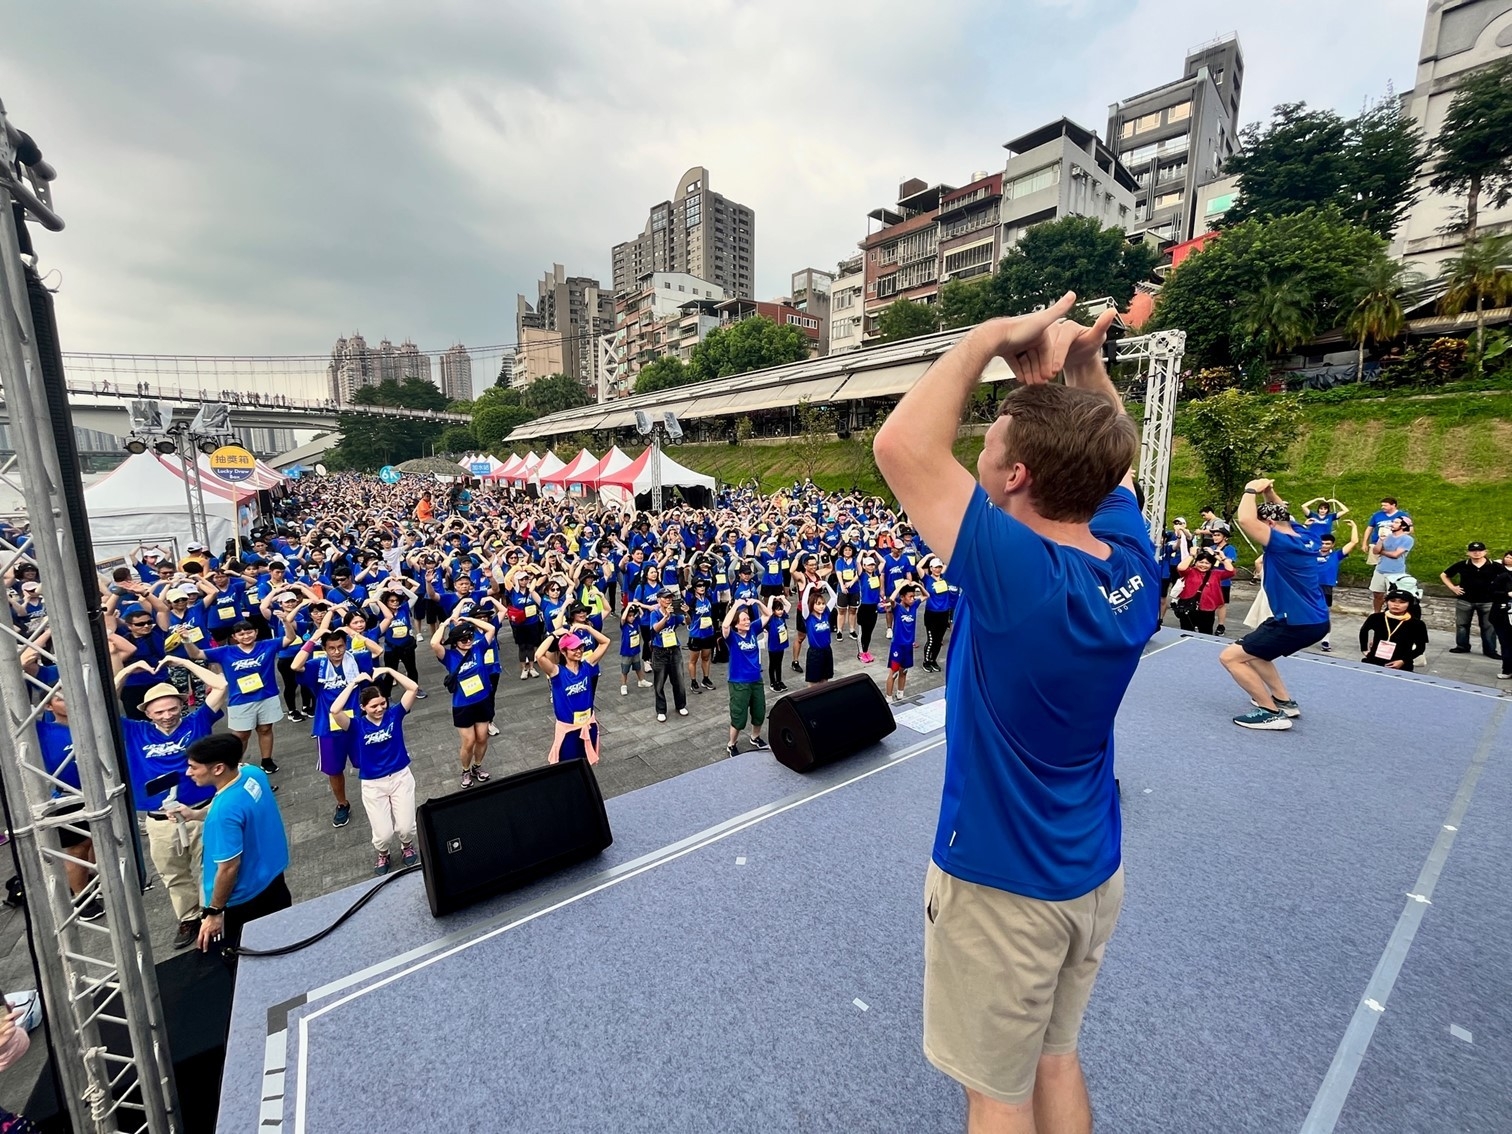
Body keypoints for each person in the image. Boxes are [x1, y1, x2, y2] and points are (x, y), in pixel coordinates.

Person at [874, 293, 1156, 1131]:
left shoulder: (1020, 578)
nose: (977, 455)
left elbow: (900, 445)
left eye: (987, 448)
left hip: (1003, 885)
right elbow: (1114, 464)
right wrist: (1082, 371)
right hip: (1089, 871)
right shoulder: (1128, 567)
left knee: (996, 1093)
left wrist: (991, 336)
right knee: (1055, 1058)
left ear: (1018, 477)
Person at [115, 660, 229, 950]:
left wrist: (181, 661)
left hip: (202, 809)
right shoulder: (134, 731)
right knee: (173, 872)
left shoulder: (196, 721)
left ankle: (211, 914)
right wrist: (127, 672)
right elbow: (101, 704)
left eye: (172, 709)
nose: (167, 716)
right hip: (160, 819)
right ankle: (189, 918)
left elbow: (222, 684)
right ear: (147, 712)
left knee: (211, 865)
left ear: (181, 706)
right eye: (159, 711)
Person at [1220, 480, 1331, 730]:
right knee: (1255, 653)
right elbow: (1282, 512)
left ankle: (1269, 711)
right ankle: (1284, 702)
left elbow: (1247, 520)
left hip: (1296, 622)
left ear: (1269, 525)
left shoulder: (1282, 544)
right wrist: (1269, 493)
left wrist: (1249, 488)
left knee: (1230, 657)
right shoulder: (1304, 534)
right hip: (1311, 618)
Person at [186, 734, 291, 966]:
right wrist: (195, 815)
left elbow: (228, 868)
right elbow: (241, 811)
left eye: (194, 767)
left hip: (244, 903)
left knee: (246, 965)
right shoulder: (253, 774)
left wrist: (214, 912)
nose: (188, 773)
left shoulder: (223, 813)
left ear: (218, 768)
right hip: (274, 882)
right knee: (284, 944)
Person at [331, 668, 422, 874]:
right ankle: (383, 852)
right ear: (363, 707)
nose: (380, 708)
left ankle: (407, 846)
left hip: (400, 776)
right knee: (383, 834)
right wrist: (353, 683)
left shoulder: (395, 715)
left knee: (406, 826)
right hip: (373, 783)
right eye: (373, 706)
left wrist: (389, 670)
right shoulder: (356, 725)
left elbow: (413, 688)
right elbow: (335, 710)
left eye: (382, 703)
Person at [201, 619, 294, 775]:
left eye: (249, 632)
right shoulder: (225, 651)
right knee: (241, 735)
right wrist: (186, 639)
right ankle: (235, 764)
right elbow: (196, 654)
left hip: (267, 695)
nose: (246, 636)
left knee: (265, 729)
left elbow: (289, 638)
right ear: (234, 636)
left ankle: (267, 760)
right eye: (241, 634)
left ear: (256, 632)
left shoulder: (267, 645)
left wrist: (286, 622)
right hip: (240, 699)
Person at [430, 613, 498, 788]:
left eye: (469, 637)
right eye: (463, 639)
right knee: (469, 741)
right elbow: (433, 643)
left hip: (482, 700)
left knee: (482, 737)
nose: (467, 641)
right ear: (455, 641)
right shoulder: (449, 656)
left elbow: (490, 628)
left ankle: (477, 766)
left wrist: (469, 620)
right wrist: (444, 624)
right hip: (462, 704)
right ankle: (465, 770)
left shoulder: (478, 647)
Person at [534, 627, 611, 764]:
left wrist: (587, 627)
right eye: (574, 648)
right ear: (563, 651)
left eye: (580, 647)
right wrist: (553, 635)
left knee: (586, 764)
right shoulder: (556, 672)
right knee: (569, 767)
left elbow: (605, 642)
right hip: (569, 732)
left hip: (588, 726)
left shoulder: (587, 666)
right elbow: (539, 655)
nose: (579, 651)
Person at [721, 598, 772, 759]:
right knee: (739, 715)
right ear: (737, 624)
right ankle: (731, 744)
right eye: (744, 619)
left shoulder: (753, 630)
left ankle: (755, 737)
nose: (748, 621)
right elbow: (724, 625)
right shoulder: (732, 637)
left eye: (748, 618)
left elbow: (768, 614)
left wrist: (757, 601)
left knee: (759, 711)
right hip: (739, 682)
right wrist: (736, 605)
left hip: (756, 679)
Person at [1440, 541, 1503, 658]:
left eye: (1479, 551)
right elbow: (1444, 575)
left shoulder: (1494, 565)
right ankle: (1462, 646)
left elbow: (1508, 577)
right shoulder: (1462, 564)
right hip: (1465, 600)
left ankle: (1490, 650)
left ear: (1485, 552)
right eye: (1473, 551)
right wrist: (1453, 587)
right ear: (1468, 553)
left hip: (1487, 601)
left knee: (1488, 626)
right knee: (1462, 625)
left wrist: (1499, 591)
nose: (1476, 553)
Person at [1313, 520, 1360, 652]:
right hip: (1309, 586)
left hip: (1325, 587)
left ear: (1332, 544)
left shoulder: (1336, 555)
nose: (1324, 545)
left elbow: (1353, 542)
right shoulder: (1310, 554)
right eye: (1322, 543)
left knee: (1325, 613)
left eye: (1327, 543)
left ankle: (1325, 640)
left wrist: (1354, 526)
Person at [1359, 587, 1429, 671]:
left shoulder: (1417, 624)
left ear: (1409, 604)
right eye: (1392, 601)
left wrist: (1403, 660)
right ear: (1387, 602)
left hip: (1400, 664)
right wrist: (1364, 649)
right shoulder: (1376, 617)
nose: (1396, 605)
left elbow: (1420, 648)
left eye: (1402, 602)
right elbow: (1364, 631)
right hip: (1374, 660)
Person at [647, 588, 689, 722]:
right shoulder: (655, 614)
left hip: (674, 649)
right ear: (659, 600)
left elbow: (686, 622)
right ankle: (661, 710)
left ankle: (680, 705)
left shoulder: (675, 613)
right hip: (659, 651)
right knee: (659, 682)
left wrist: (687, 613)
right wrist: (665, 617)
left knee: (679, 680)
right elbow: (655, 628)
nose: (668, 600)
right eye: (665, 598)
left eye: (670, 597)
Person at [1171, 547, 1232, 635]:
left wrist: (1221, 557)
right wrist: (1192, 555)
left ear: (1211, 564)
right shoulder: (1190, 571)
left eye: (1207, 563)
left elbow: (1230, 571)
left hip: (1208, 609)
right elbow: (1181, 568)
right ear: (1196, 562)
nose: (1203, 565)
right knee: (1186, 633)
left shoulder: (1216, 574)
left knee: (1206, 633)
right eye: (1201, 562)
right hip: (1188, 606)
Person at [884, 582, 921, 702]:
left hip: (908, 647)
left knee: (904, 671)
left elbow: (927, 596)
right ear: (902, 597)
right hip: (897, 646)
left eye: (913, 596)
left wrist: (918, 586)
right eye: (910, 596)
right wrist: (900, 587)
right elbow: (891, 599)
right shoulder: (897, 608)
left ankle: (900, 694)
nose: (912, 598)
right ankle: (888, 697)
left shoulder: (914, 606)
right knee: (893, 672)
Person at [920, 558, 957, 673]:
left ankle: (933, 660)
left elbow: (948, 562)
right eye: (935, 567)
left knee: (938, 640)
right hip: (931, 614)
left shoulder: (945, 578)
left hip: (943, 613)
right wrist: (929, 555)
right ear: (931, 568)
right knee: (931, 640)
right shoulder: (927, 579)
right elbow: (918, 567)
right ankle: (926, 662)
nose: (938, 569)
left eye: (939, 567)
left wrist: (941, 559)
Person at [801, 581, 838, 685]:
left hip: (827, 650)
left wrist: (826, 584)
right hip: (815, 653)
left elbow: (834, 598)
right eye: (818, 604)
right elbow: (804, 603)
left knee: (825, 680)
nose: (821, 606)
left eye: (823, 604)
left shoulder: (826, 613)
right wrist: (808, 586)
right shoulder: (808, 617)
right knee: (813, 683)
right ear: (812, 604)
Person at [1489, 551, 1512, 680]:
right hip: (1503, 614)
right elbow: (1492, 592)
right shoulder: (1503, 576)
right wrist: (1507, 594)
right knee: (1506, 642)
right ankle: (1507, 669)